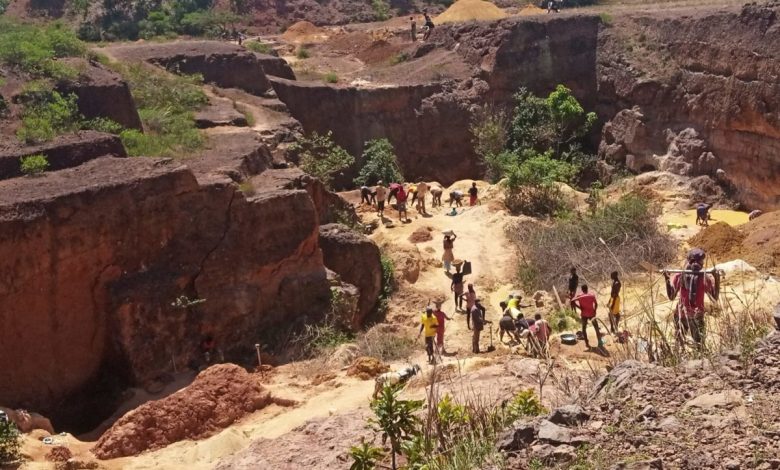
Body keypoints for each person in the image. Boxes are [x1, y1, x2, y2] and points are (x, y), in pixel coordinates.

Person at [664, 248, 720, 348]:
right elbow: (714, 298)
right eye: (702, 261)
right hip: (697, 316)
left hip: (681, 315)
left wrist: (667, 279)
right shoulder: (704, 278)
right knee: (699, 345)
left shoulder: (680, 276)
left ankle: (678, 361)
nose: (703, 263)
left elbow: (671, 297)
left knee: (679, 343)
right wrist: (717, 278)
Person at [572, 284, 602, 349]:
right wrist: (595, 311)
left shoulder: (580, 296)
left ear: (582, 290)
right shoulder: (591, 295)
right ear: (587, 289)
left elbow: (572, 301)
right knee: (596, 328)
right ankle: (600, 342)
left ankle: (587, 343)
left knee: (584, 328)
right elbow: (596, 304)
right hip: (592, 314)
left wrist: (580, 307)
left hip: (584, 315)